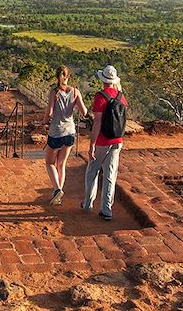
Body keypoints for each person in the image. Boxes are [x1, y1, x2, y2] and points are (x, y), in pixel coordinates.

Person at [82, 64, 128, 221]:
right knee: (110, 174)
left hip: (103, 140)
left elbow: (97, 122)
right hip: (118, 140)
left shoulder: (101, 96)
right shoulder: (121, 97)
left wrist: (92, 144)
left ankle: (88, 203)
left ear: (103, 80)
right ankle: (106, 209)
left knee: (92, 171)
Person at [45, 65, 87, 205]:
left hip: (56, 132)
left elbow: (49, 113)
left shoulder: (54, 92)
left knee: (50, 163)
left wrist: (44, 122)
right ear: (68, 77)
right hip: (70, 132)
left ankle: (57, 189)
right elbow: (84, 112)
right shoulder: (75, 92)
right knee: (61, 164)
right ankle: (58, 195)